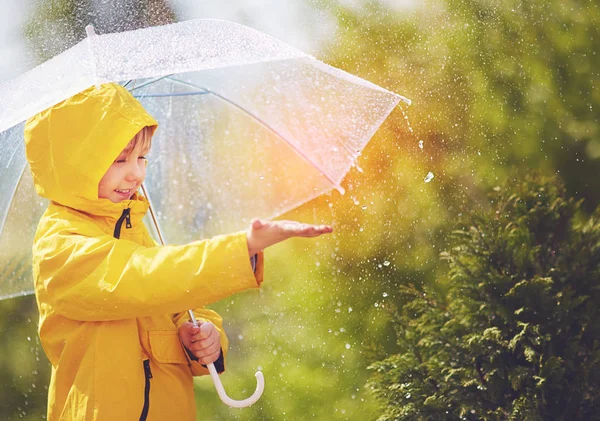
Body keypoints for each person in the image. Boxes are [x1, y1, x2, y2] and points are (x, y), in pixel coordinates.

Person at [24, 83, 332, 421]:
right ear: (75, 164)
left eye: (141, 157)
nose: (136, 172)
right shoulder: (60, 242)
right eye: (119, 159)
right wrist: (241, 248)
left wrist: (204, 338)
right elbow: (146, 278)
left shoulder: (134, 226)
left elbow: (172, 305)